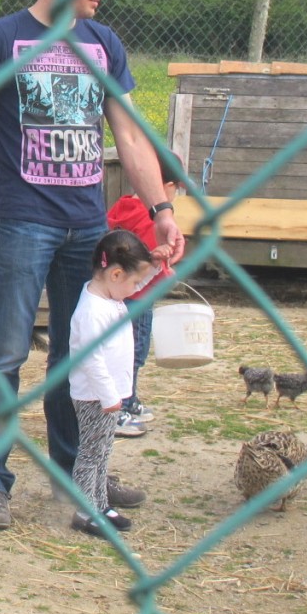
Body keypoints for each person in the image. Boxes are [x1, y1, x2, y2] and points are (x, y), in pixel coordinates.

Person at [0, 0, 185, 531]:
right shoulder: (2, 39)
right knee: (6, 351)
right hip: (25, 223)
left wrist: (162, 212)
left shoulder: (103, 44)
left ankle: (82, 475)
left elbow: (130, 136)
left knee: (81, 352)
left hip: (87, 226)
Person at [68, 228, 170, 538]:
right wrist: (109, 396)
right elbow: (91, 358)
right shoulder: (92, 311)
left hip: (109, 395)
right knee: (90, 454)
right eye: (133, 282)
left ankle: (100, 503)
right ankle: (85, 510)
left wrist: (154, 265)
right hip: (95, 396)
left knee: (103, 452)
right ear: (114, 274)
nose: (137, 288)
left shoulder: (109, 295)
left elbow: (140, 278)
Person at [107, 151, 185, 437]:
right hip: (138, 299)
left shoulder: (125, 206)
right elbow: (151, 260)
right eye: (176, 188)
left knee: (119, 350)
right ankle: (122, 407)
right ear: (166, 187)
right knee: (134, 354)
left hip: (117, 293)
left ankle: (130, 400)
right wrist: (167, 274)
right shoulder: (150, 219)